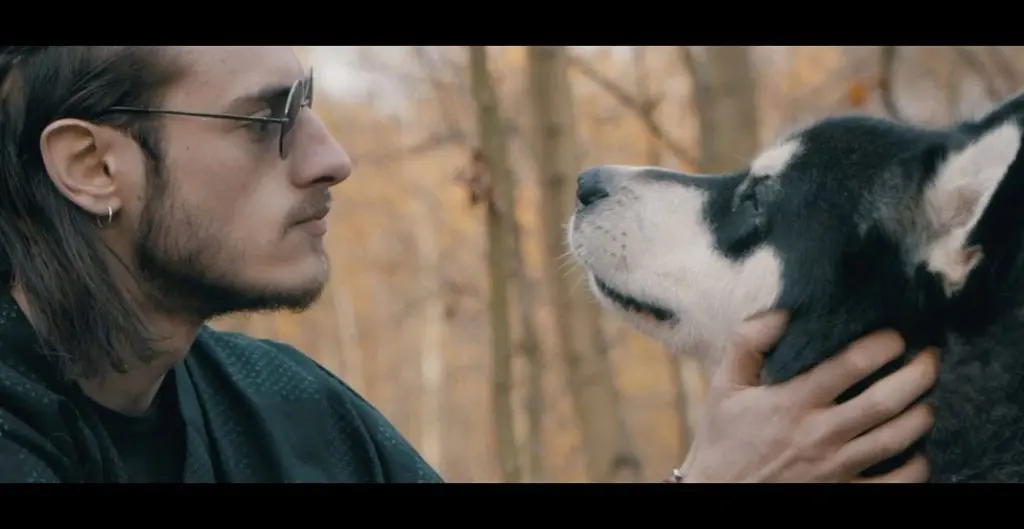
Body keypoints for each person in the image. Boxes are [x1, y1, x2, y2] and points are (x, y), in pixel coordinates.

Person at [0, 46, 938, 483]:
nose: (331, 156)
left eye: (312, 102)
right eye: (267, 119)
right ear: (93, 167)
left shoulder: (294, 416)